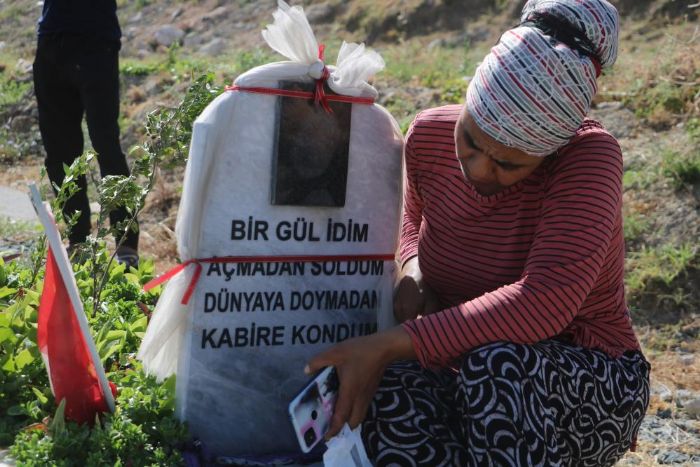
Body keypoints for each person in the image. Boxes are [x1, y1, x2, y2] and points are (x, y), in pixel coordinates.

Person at [306, 0, 650, 465]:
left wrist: (392, 343)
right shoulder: (428, 134)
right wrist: (412, 268)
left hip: (586, 377)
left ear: (550, 152)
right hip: (464, 366)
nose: (479, 168)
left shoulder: (589, 159)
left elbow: (541, 303)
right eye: (470, 139)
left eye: (509, 163)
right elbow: (412, 220)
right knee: (383, 391)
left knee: (495, 365)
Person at [33, 0, 139, 267]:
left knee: (106, 144)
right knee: (60, 152)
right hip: (52, 42)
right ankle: (78, 242)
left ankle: (126, 245)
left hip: (95, 42)